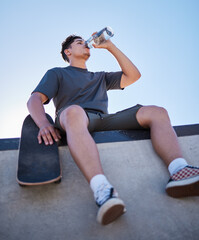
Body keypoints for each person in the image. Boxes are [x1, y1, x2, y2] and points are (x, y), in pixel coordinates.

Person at [27, 34, 199, 225]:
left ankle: (179, 170)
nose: (85, 43)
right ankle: (102, 190)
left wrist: (110, 46)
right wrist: (43, 124)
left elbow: (133, 76)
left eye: (85, 42)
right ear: (68, 52)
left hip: (104, 119)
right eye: (79, 43)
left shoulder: (100, 77)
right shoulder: (57, 73)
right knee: (74, 111)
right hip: (76, 118)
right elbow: (34, 99)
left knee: (157, 112)